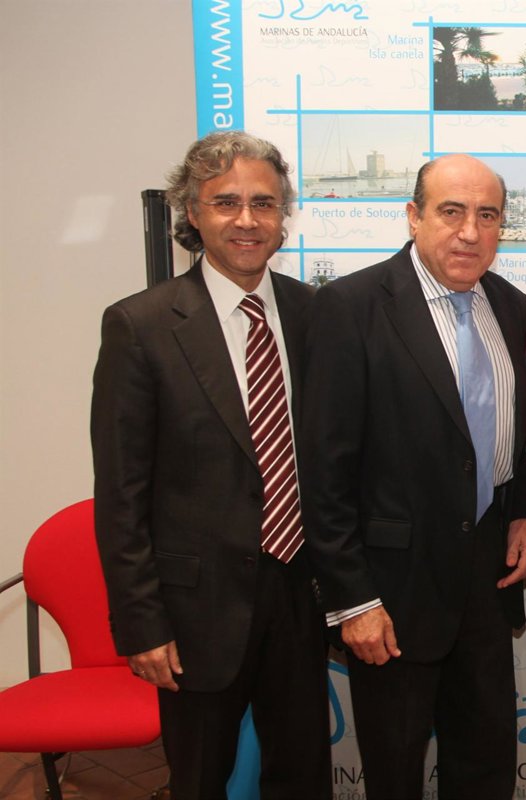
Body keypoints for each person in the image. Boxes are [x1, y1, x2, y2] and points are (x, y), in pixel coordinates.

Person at [91, 131, 330, 799]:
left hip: (300, 596)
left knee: (304, 778)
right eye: (226, 203)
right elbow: (121, 494)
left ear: (283, 215)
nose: (247, 220)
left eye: (264, 203)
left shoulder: (314, 315)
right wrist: (142, 624)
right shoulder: (140, 327)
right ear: (192, 213)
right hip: (195, 612)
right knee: (198, 782)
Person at [298, 153, 526, 799]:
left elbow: (507, 431)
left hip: (486, 578)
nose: (469, 232)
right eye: (451, 212)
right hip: (392, 591)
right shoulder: (351, 306)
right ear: (413, 216)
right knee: (396, 771)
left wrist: (522, 509)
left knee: (486, 767)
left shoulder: (511, 305)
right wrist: (354, 600)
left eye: (487, 216)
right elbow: (322, 472)